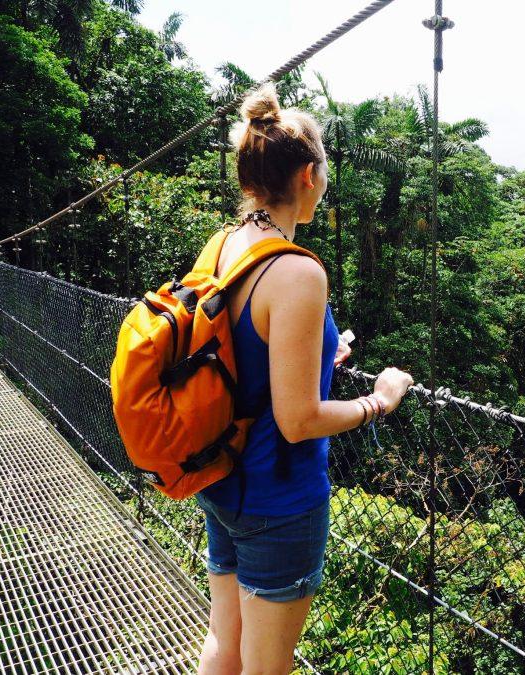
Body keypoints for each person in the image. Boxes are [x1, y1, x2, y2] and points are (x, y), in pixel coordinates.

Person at [193, 82, 414, 674]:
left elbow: (237, 348)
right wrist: (379, 401)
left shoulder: (223, 247)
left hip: (221, 480)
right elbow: (298, 422)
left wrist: (320, 355)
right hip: (280, 500)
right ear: (308, 177)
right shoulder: (297, 272)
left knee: (224, 643)